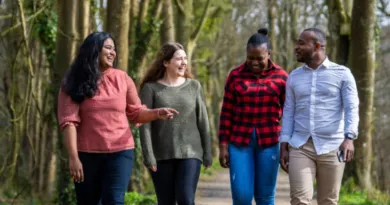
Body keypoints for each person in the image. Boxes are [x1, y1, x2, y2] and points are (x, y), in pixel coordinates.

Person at [57, 32, 179, 205]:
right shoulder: (73, 81)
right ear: (94, 50)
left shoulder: (122, 78)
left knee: (114, 200)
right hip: (86, 156)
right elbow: (69, 121)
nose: (113, 52)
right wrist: (73, 157)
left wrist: (157, 112)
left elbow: (136, 112)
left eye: (114, 49)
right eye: (108, 47)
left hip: (120, 152)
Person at [279, 28, 359, 205]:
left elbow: (352, 107)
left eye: (301, 43)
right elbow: (289, 111)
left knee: (328, 201)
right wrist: (284, 144)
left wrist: (349, 137)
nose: (296, 47)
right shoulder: (293, 77)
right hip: (300, 145)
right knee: (299, 200)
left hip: (332, 146)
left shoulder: (343, 74)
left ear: (317, 46)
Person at [218, 28, 288, 205]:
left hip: (270, 142)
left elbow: (289, 114)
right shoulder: (235, 76)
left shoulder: (282, 77)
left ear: (269, 54)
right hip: (239, 142)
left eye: (260, 58)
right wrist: (223, 145)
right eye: (250, 58)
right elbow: (226, 112)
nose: (254, 62)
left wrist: (287, 145)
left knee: (265, 197)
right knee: (242, 196)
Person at [139, 42, 212, 205]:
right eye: (179, 59)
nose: (184, 62)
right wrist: (148, 155)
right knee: (166, 202)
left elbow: (203, 120)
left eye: (185, 59)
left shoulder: (194, 86)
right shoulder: (150, 89)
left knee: (186, 199)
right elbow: (145, 125)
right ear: (165, 62)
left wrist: (207, 152)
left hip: (190, 153)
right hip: (161, 155)